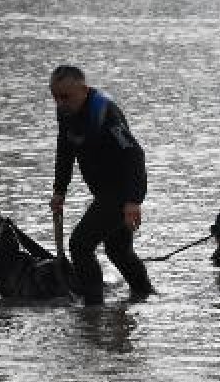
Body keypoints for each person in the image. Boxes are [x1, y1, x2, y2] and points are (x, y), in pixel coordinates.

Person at [49, 65, 154, 306]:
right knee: (118, 251)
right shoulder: (66, 113)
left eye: (65, 97)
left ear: (84, 90)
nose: (59, 103)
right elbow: (65, 152)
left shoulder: (106, 114)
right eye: (55, 97)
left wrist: (133, 201)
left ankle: (93, 306)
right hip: (104, 192)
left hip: (120, 192)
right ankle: (144, 294)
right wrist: (59, 190)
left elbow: (135, 155)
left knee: (80, 245)